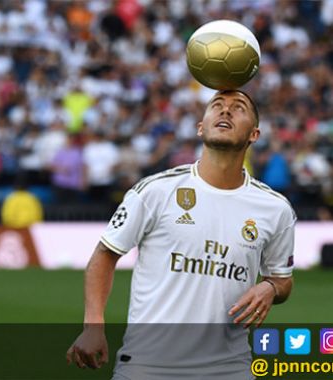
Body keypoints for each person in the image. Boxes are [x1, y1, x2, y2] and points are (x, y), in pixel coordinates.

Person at [67, 90, 295, 380]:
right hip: (147, 367)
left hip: (229, 369)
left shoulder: (275, 209)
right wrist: (93, 326)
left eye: (238, 108)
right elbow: (105, 254)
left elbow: (282, 279)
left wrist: (271, 288)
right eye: (217, 106)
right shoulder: (155, 191)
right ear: (201, 127)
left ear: (254, 134)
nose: (225, 112)